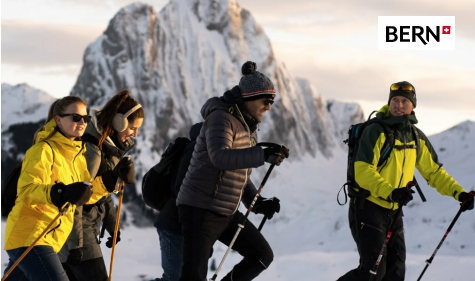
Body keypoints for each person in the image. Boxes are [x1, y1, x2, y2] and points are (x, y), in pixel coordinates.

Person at [337, 81, 475, 281]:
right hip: (368, 208)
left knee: (396, 273)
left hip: (393, 211)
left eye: (404, 101)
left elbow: (434, 172)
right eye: (395, 100)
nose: (398, 105)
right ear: (389, 102)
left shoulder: (415, 137)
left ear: (413, 105)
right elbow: (363, 171)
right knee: (372, 273)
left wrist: (459, 193)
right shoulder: (375, 131)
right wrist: (391, 191)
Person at [176, 61, 289, 281]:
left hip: (225, 211)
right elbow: (220, 157)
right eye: (266, 101)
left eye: (272, 102)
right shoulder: (221, 118)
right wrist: (262, 155)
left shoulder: (247, 126)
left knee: (262, 256)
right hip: (200, 210)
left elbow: (238, 171)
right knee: (194, 276)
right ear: (249, 97)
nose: (269, 107)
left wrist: (257, 203)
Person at [3, 96, 113, 281]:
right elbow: (27, 190)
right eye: (75, 117)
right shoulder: (43, 150)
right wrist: (59, 193)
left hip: (49, 239)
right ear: (58, 119)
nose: (82, 123)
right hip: (31, 236)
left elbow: (84, 195)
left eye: (85, 119)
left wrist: (107, 184)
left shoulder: (77, 156)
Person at [59, 90, 144, 281]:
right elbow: (77, 199)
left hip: (86, 226)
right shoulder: (93, 150)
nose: (135, 134)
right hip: (78, 229)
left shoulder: (108, 146)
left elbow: (102, 193)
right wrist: (76, 245)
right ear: (119, 121)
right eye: (132, 128)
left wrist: (113, 225)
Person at [151, 122, 202, 281]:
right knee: (173, 278)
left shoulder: (200, 151)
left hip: (175, 224)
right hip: (173, 226)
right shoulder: (195, 151)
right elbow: (181, 190)